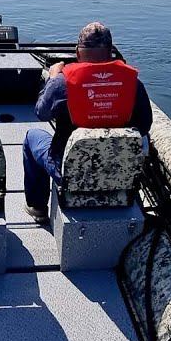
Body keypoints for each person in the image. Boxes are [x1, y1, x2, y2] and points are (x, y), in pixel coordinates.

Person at [22, 22, 153, 222]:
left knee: (32, 137)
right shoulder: (133, 84)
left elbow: (41, 112)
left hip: (69, 173)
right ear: (110, 51)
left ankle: (37, 208)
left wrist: (52, 78)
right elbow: (144, 125)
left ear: (77, 52)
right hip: (117, 171)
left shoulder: (62, 83)